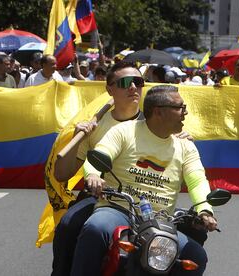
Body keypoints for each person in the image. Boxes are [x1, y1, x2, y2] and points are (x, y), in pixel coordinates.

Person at [70, 85, 217, 276]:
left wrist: (205, 210)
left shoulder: (186, 147)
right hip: (118, 210)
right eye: (181, 108)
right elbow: (98, 156)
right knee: (95, 228)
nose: (185, 113)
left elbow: (197, 181)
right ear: (158, 112)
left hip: (160, 222)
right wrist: (93, 175)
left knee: (197, 256)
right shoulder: (124, 131)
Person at [52, 61, 145, 276]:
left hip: (146, 199)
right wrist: (76, 138)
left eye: (138, 82)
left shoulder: (155, 123)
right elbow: (62, 174)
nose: (133, 87)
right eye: (125, 82)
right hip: (101, 197)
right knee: (68, 226)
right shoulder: (95, 127)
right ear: (109, 89)